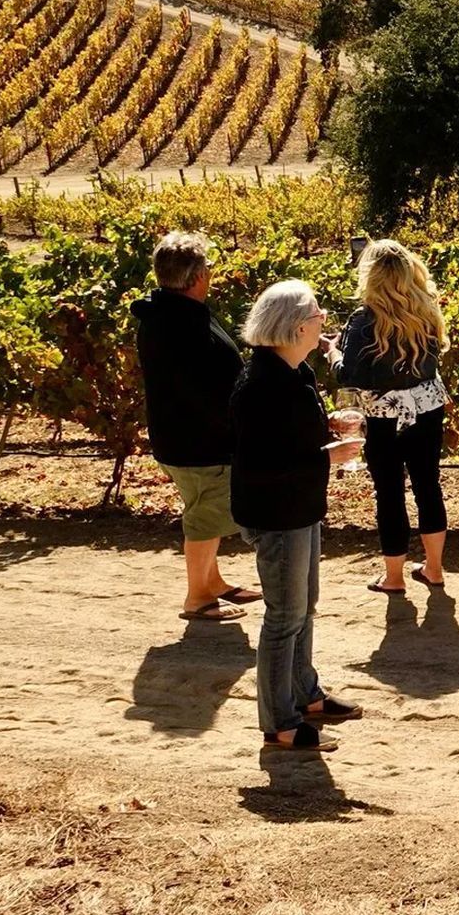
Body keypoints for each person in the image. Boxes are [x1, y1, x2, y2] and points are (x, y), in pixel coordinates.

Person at [234, 280, 365, 752]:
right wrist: (326, 458)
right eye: (316, 313)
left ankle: (305, 695)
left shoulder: (293, 372)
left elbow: (287, 436)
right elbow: (262, 464)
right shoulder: (261, 386)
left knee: (303, 608)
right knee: (284, 617)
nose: (323, 319)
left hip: (301, 507)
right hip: (277, 515)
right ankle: (280, 724)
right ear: (295, 327)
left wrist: (327, 426)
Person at [131, 231, 259, 621]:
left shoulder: (164, 312)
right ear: (199, 275)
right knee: (205, 517)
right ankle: (197, 597)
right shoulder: (182, 323)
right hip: (200, 442)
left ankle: (212, 583)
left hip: (181, 436)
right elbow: (202, 390)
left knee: (204, 510)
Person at [331, 240, 451, 595]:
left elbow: (349, 375)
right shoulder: (426, 309)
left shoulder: (364, 319)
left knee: (389, 492)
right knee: (428, 485)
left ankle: (394, 577)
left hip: (383, 416)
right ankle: (434, 569)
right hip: (427, 408)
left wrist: (332, 352)